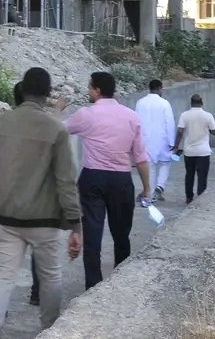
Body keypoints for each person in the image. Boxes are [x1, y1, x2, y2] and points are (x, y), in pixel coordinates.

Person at [0, 68, 82, 334]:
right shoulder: (56, 129)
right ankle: (49, 329)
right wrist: (75, 223)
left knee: (3, 275)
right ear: (47, 95)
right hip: (44, 220)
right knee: (50, 276)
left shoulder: (0, 123)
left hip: (5, 217)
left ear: (22, 90)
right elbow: (66, 181)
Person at [57, 71, 150, 290]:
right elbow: (140, 157)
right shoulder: (131, 116)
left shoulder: (86, 114)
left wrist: (57, 110)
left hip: (92, 179)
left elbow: (57, 131)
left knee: (92, 236)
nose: (88, 91)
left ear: (97, 90)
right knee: (121, 235)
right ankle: (120, 282)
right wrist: (146, 188)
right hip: (121, 179)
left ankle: (93, 286)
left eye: (90, 87)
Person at [133, 79, 176, 202]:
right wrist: (172, 142)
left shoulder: (140, 103)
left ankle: (150, 194)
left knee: (149, 166)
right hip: (162, 140)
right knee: (165, 163)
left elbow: (136, 122)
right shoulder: (164, 103)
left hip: (145, 140)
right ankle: (160, 186)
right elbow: (170, 123)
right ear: (159, 88)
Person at [173, 94, 215, 204]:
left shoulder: (185, 115)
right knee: (202, 176)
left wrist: (176, 146)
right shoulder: (208, 116)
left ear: (191, 103)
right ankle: (201, 197)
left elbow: (180, 132)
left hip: (189, 151)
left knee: (189, 174)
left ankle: (189, 197)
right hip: (203, 151)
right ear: (202, 103)